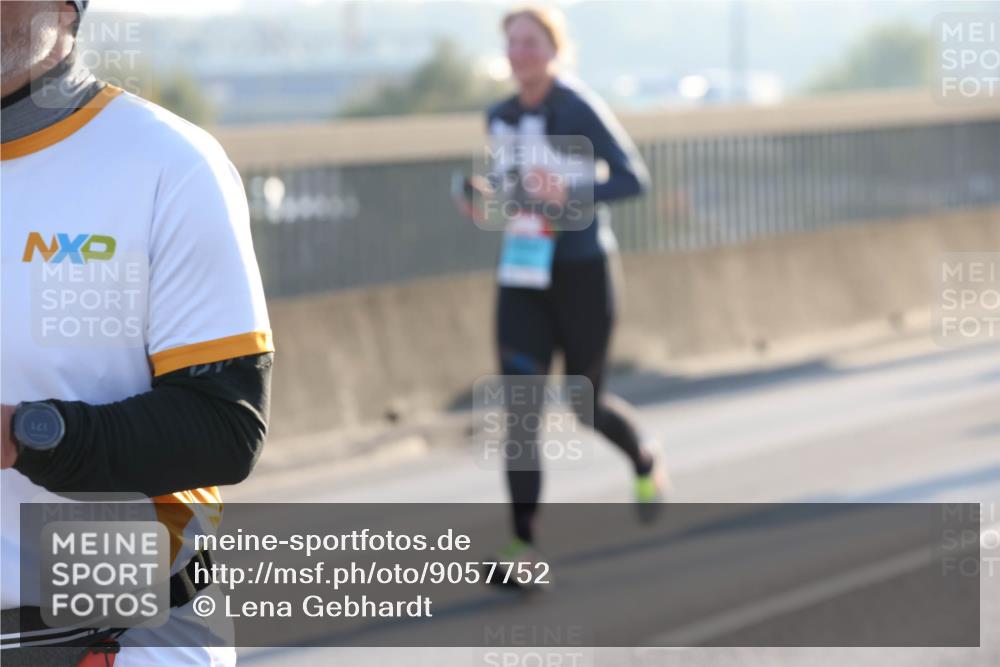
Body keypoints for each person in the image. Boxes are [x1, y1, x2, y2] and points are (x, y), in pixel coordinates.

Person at [1, 1, 273, 664]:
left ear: (64, 10)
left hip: (122, 634)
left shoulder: (170, 162)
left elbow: (226, 427)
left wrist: (21, 433)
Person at [462, 5, 669, 572]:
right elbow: (512, 187)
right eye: (513, 44)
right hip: (522, 276)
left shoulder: (578, 107)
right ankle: (523, 546)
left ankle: (643, 458)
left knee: (585, 404)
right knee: (521, 411)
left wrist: (572, 197)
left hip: (581, 273)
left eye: (532, 43)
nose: (521, 53)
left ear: (555, 51)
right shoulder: (499, 115)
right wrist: (482, 195)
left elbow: (633, 179)